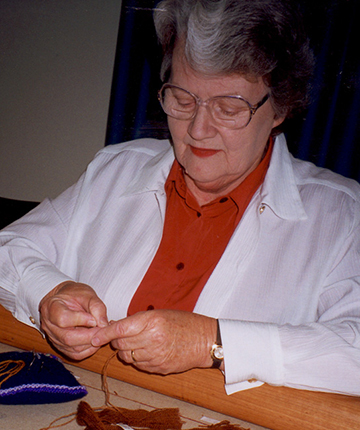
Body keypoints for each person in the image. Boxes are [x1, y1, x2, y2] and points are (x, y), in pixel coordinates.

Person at [0, 0, 359, 396]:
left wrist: (212, 341)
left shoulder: (342, 213)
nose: (198, 129)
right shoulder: (115, 169)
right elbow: (8, 248)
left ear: (279, 108)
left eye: (228, 107)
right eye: (183, 100)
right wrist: (49, 292)